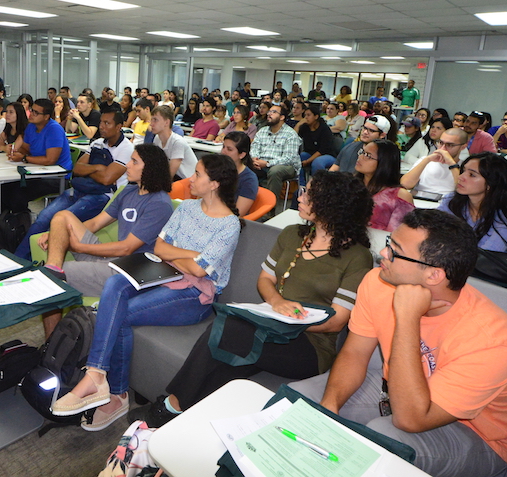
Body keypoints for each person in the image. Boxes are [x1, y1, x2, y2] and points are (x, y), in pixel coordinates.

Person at [290, 209, 507, 477]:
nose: (383, 254)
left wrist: (408, 317)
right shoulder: (378, 283)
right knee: (302, 404)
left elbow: (410, 418)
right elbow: (355, 352)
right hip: (396, 393)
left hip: (476, 433)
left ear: (434, 275)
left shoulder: (494, 341)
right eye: (389, 242)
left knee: (384, 436)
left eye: (395, 251)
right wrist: (329, 407)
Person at [132, 171, 374, 427]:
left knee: (226, 331)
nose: (299, 197)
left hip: (309, 344)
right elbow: (265, 280)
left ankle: (169, 407)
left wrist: (285, 320)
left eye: (309, 194)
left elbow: (337, 321)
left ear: (332, 204)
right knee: (228, 358)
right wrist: (276, 304)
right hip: (268, 323)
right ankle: (185, 419)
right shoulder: (292, 234)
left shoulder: (357, 257)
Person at [51, 155, 242, 431]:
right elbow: (160, 249)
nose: (190, 179)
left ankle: (116, 394)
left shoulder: (229, 224)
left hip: (195, 295)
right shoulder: (186, 208)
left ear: (214, 184)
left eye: (197, 174)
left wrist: (185, 259)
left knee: (119, 313)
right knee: (114, 285)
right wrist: (193, 256)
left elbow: (201, 273)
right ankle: (96, 375)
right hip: (162, 275)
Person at [39, 144, 175, 335]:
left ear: (150, 169)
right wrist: (56, 233)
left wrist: (81, 247)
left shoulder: (159, 204)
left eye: (134, 161)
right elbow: (95, 223)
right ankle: (53, 267)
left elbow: (126, 249)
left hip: (129, 271)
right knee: (62, 217)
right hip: (113, 260)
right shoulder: (128, 191)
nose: (127, 165)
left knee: (57, 276)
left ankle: (50, 344)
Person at [14, 108, 133, 260]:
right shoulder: (96, 143)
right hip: (79, 189)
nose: (102, 126)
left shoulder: (127, 148)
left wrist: (91, 171)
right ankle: (18, 260)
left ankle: (37, 263)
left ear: (118, 127)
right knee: (43, 217)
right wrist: (98, 168)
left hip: (102, 196)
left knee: (58, 220)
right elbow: (77, 168)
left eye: (107, 123)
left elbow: (106, 179)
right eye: (101, 122)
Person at [439, 153, 507, 252]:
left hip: (488, 265)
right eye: (463, 171)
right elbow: (432, 232)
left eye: (472, 175)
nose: (460, 177)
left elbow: (490, 252)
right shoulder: (452, 200)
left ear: (490, 184)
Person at [355, 139, 415, 231]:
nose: (360, 157)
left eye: (368, 155)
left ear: (384, 162)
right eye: (362, 152)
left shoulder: (399, 196)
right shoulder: (351, 185)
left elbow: (398, 233)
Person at [250, 104, 301, 199]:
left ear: (282, 117)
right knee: (243, 166)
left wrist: (267, 163)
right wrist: (254, 159)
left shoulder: (290, 134)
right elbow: (254, 147)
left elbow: (289, 158)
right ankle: (245, 203)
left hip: (285, 166)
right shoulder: (262, 131)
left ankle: (269, 209)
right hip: (261, 163)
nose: (269, 114)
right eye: (269, 111)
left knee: (275, 171)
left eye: (274, 112)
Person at [401, 127, 468, 196]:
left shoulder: (466, 166)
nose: (443, 149)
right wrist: (427, 160)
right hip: (421, 201)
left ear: (463, 147)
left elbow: (464, 189)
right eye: (441, 143)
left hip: (446, 202)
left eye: (450, 145)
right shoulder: (425, 160)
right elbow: (405, 184)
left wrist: (451, 163)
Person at [149, 105, 196, 180]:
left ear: (167, 122)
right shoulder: (157, 138)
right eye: (151, 120)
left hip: (188, 181)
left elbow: (169, 175)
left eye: (155, 120)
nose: (151, 124)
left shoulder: (177, 142)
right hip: (175, 179)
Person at [219, 131, 259, 216]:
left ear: (242, 155)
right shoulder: (216, 168)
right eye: (223, 147)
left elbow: (238, 214)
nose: (223, 152)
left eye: (229, 149)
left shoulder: (249, 179)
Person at [298, 105, 339, 185]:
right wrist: (299, 124)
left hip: (327, 155)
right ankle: (301, 185)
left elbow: (322, 150)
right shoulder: (305, 127)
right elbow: (294, 137)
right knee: (299, 158)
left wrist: (307, 161)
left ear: (316, 116)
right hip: (310, 153)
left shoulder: (324, 129)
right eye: (305, 115)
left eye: (308, 115)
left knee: (317, 162)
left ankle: (317, 187)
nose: (306, 117)